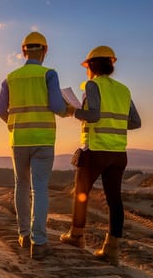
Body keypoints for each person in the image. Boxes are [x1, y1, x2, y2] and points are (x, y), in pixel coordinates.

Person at [59, 45, 142, 266]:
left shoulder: (92, 85)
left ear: (92, 67)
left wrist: (72, 111)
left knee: (80, 193)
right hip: (118, 154)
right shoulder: (123, 90)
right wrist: (113, 121)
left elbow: (93, 116)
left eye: (87, 66)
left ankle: (76, 236)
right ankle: (112, 250)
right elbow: (136, 122)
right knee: (115, 200)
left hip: (96, 150)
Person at [0, 31, 73, 260]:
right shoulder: (49, 74)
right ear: (45, 51)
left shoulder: (9, 78)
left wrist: (15, 124)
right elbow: (57, 106)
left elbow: (1, 111)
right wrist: (69, 110)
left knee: (21, 185)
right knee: (39, 188)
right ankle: (39, 243)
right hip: (43, 140)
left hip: (19, 141)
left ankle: (23, 236)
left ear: (23, 51)